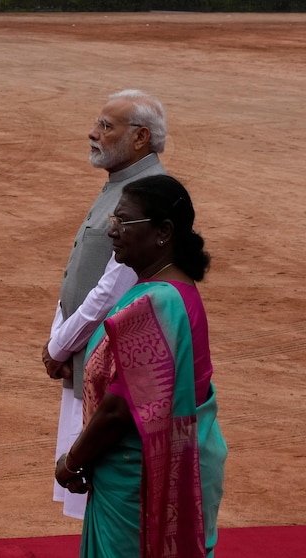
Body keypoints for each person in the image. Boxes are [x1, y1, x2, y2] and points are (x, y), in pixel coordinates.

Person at [53, 174, 228, 558]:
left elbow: (119, 410)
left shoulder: (156, 302)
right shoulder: (173, 288)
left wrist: (72, 461)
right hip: (166, 461)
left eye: (123, 222)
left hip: (139, 475)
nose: (112, 231)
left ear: (162, 232)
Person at [43, 89, 170, 519]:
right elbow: (79, 273)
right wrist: (59, 340)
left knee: (105, 494)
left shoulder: (145, 195)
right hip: (85, 355)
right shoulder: (120, 185)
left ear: (139, 138)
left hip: (111, 365)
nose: (92, 133)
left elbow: (111, 289)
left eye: (105, 126)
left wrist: (60, 346)